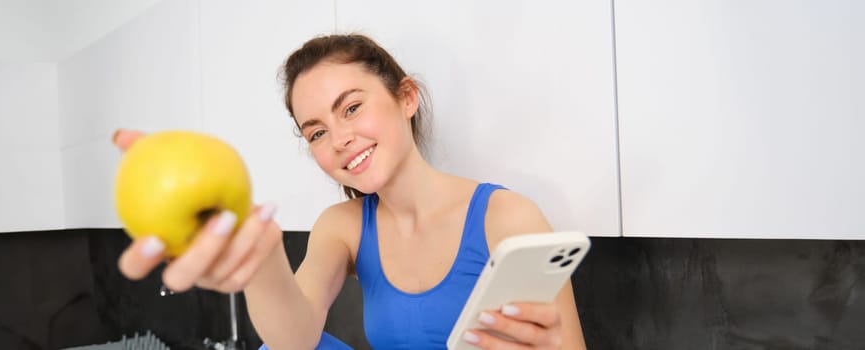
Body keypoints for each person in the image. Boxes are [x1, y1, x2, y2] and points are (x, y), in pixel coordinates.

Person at [113, 34, 586, 349]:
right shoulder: (342, 227)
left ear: (406, 98)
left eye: (352, 108)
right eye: (316, 132)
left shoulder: (507, 217)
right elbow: (295, 338)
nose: (339, 139)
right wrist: (261, 262)